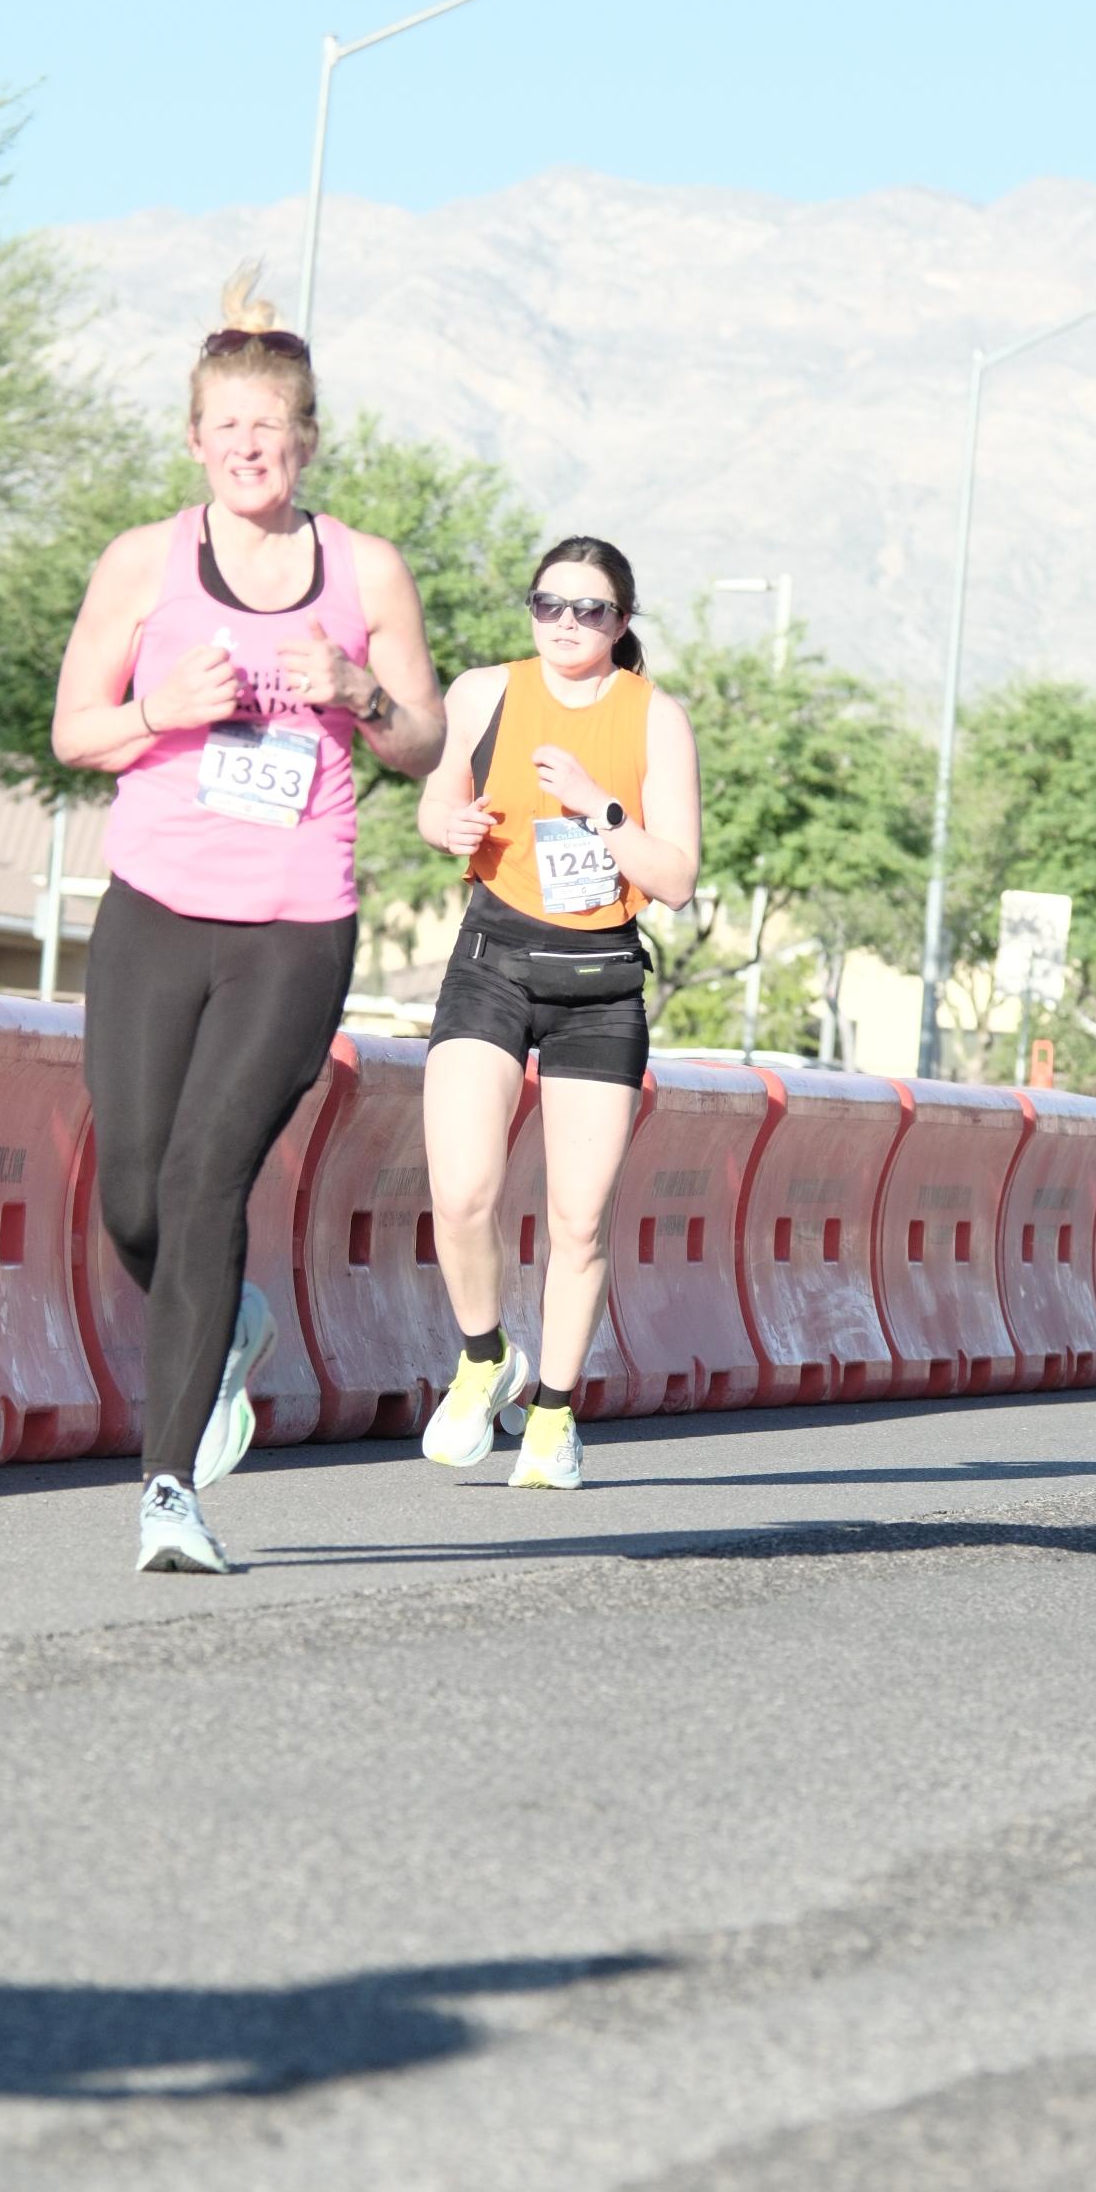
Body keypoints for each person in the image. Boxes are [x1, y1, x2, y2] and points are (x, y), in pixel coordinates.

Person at [52, 276, 444, 1572]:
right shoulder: (143, 562)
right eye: (225, 426)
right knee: (131, 1193)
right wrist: (159, 710)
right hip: (156, 911)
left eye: (269, 427)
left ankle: (168, 1489)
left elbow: (423, 741)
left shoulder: (366, 571)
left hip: (293, 926)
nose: (248, 447)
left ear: (307, 439)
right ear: (194, 440)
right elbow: (74, 732)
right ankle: (226, 1325)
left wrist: (359, 691)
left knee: (204, 1179)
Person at [414, 540, 702, 1490]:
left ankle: (553, 1415)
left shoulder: (655, 718)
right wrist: (448, 825)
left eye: (591, 610)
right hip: (491, 963)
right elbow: (437, 801)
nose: (567, 624)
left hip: (600, 984)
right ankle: (485, 1356)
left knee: (578, 1223)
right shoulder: (482, 692)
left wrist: (597, 808)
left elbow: (677, 879)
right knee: (462, 1191)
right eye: (550, 605)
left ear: (623, 622)